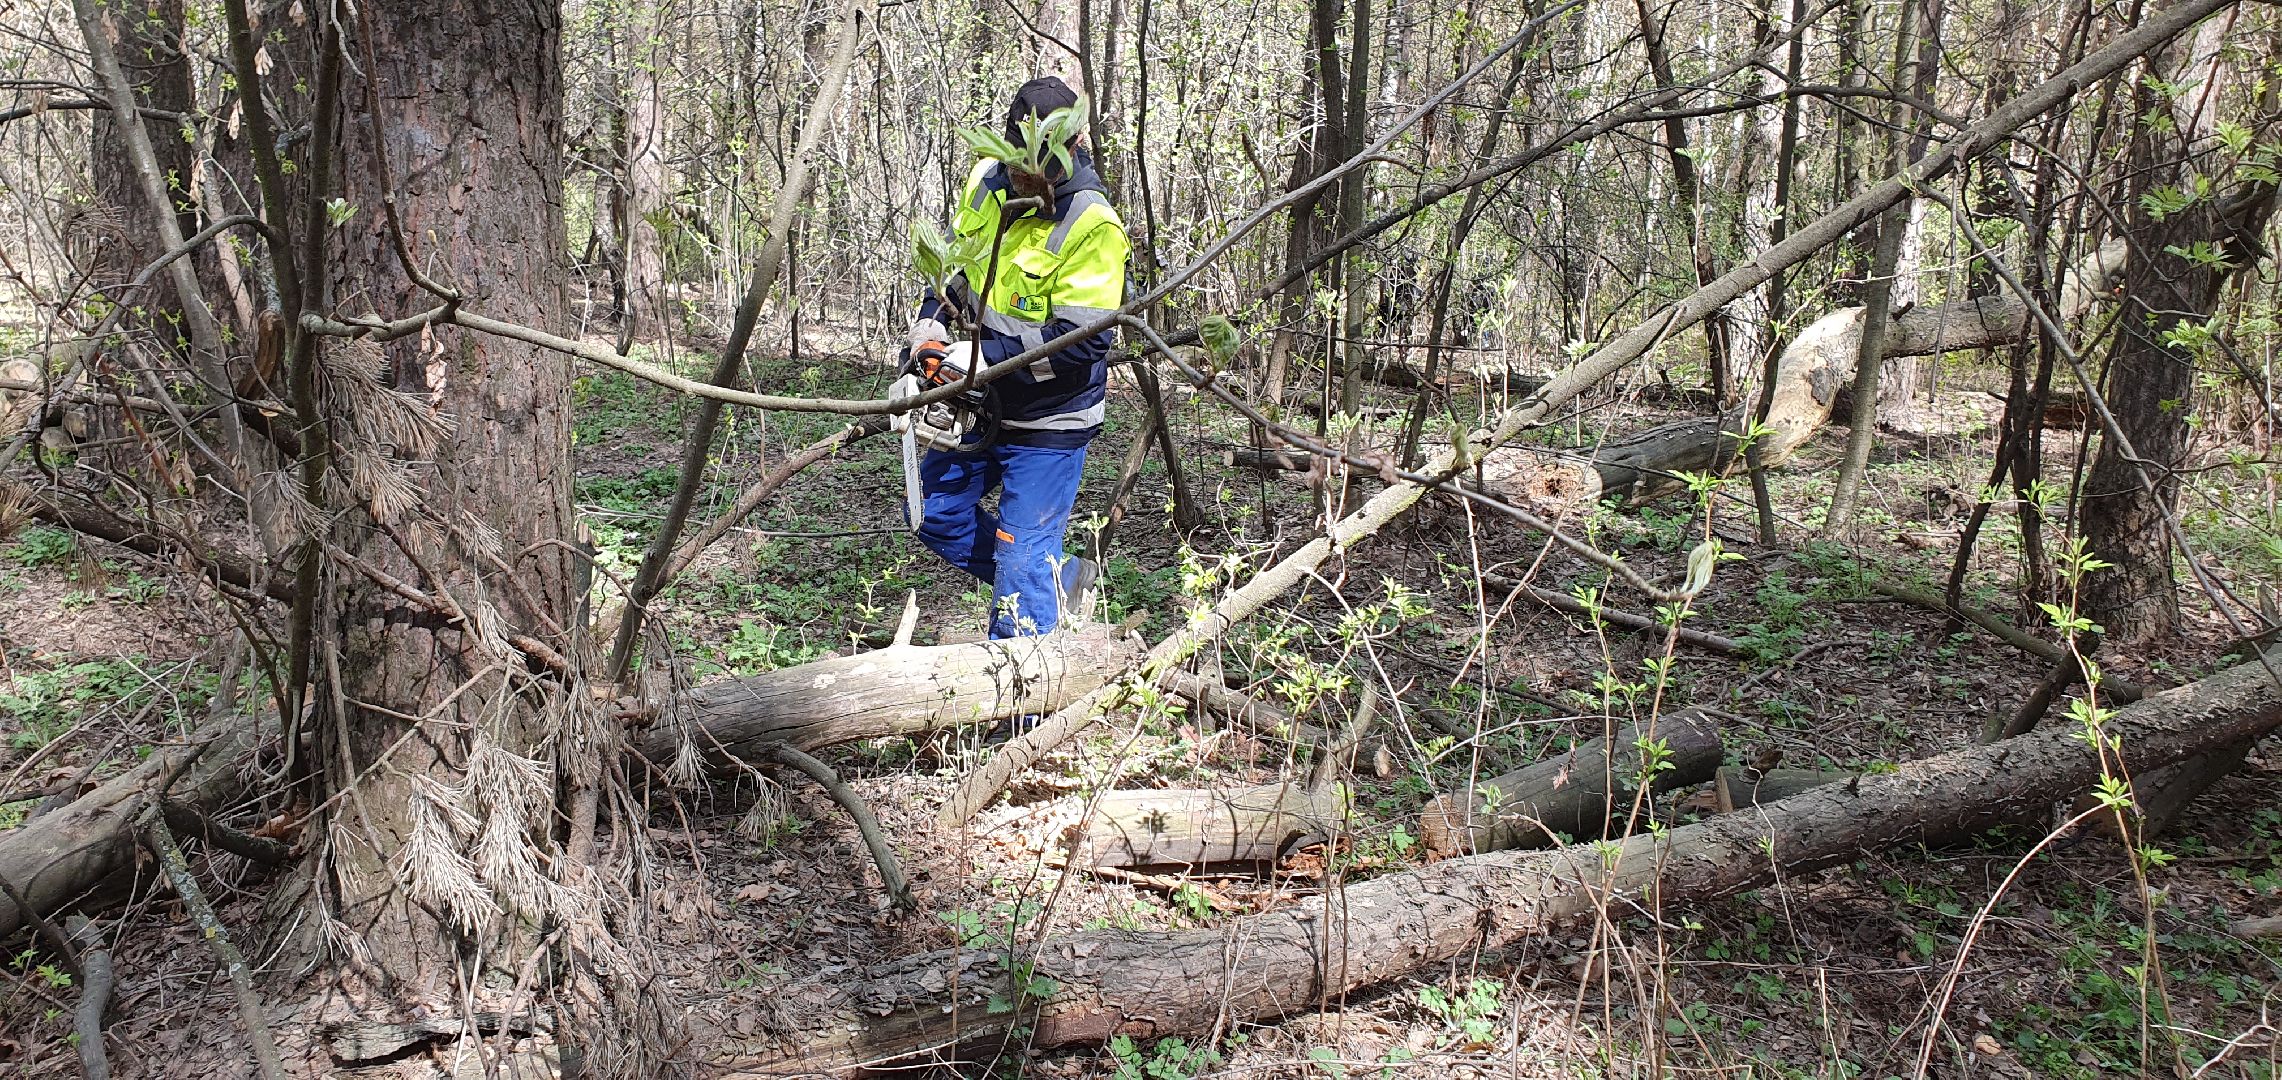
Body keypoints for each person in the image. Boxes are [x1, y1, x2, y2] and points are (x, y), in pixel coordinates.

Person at [902, 77, 1129, 640]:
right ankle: (1060, 579)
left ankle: (1024, 686)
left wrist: (986, 358)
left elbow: (1084, 341)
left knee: (1020, 556)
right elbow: (959, 266)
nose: (1029, 180)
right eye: (1019, 167)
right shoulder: (986, 180)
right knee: (932, 511)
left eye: (1042, 168)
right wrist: (932, 326)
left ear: (1073, 147)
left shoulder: (1093, 225)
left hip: (1052, 417)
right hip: (986, 405)